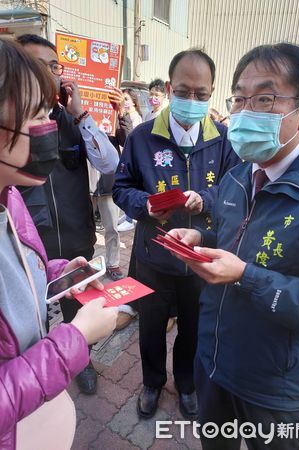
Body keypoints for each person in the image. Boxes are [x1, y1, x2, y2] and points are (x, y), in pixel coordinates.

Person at [168, 43, 299, 449]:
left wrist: (245, 276)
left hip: (278, 391)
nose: (245, 113)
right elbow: (233, 239)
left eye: (264, 98)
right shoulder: (239, 175)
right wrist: (201, 239)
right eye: (239, 99)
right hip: (214, 364)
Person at [0, 38, 118, 450]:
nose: (43, 125)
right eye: (31, 110)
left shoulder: (8, 197)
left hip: (70, 237)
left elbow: (17, 276)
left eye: (53, 68)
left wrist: (54, 272)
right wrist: (74, 341)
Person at [113, 49, 239, 420]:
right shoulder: (142, 137)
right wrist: (145, 205)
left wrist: (207, 199)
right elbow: (121, 187)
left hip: (200, 260)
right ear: (169, 88)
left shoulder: (224, 141)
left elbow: (234, 189)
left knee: (194, 328)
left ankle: (186, 384)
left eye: (202, 94)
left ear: (212, 93)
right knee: (150, 326)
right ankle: (151, 382)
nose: (193, 100)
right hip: (154, 256)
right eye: (184, 92)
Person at [89, 87, 133, 283]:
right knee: (83, 228)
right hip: (84, 182)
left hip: (108, 182)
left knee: (111, 228)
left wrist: (121, 112)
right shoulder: (76, 113)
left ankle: (113, 263)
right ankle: (86, 265)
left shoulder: (112, 114)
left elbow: (128, 140)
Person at [117, 88, 143, 232]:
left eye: (126, 99)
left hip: (133, 157)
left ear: (133, 102)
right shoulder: (125, 115)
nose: (124, 102)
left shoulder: (135, 117)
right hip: (125, 155)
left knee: (131, 185)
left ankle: (129, 218)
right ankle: (127, 215)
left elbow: (131, 138)